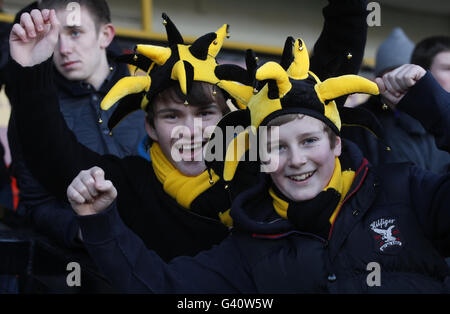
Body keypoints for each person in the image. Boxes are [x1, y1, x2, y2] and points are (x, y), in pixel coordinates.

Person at [68, 41, 450, 293]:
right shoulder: (249, 246)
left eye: (309, 141)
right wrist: (99, 220)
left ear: (336, 143)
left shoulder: (405, 191)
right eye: (276, 147)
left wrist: (435, 106)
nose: (296, 160)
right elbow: (162, 288)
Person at [6, 1, 372, 261]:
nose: (191, 131)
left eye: (205, 112)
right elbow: (53, 156)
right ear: (149, 126)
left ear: (229, 114)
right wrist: (31, 70)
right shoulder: (133, 184)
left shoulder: (260, 162)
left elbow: (322, 84)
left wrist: (349, 8)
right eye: (171, 117)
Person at [6, 0, 147, 247]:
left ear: (105, 35)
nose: (64, 48)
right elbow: (35, 203)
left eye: (74, 33)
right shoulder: (32, 111)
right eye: (54, 36)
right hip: (74, 264)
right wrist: (84, 230)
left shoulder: (149, 99)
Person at [340, 28, 450, 173]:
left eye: (407, 73)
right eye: (392, 74)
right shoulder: (359, 122)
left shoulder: (433, 119)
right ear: (378, 78)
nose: (399, 80)